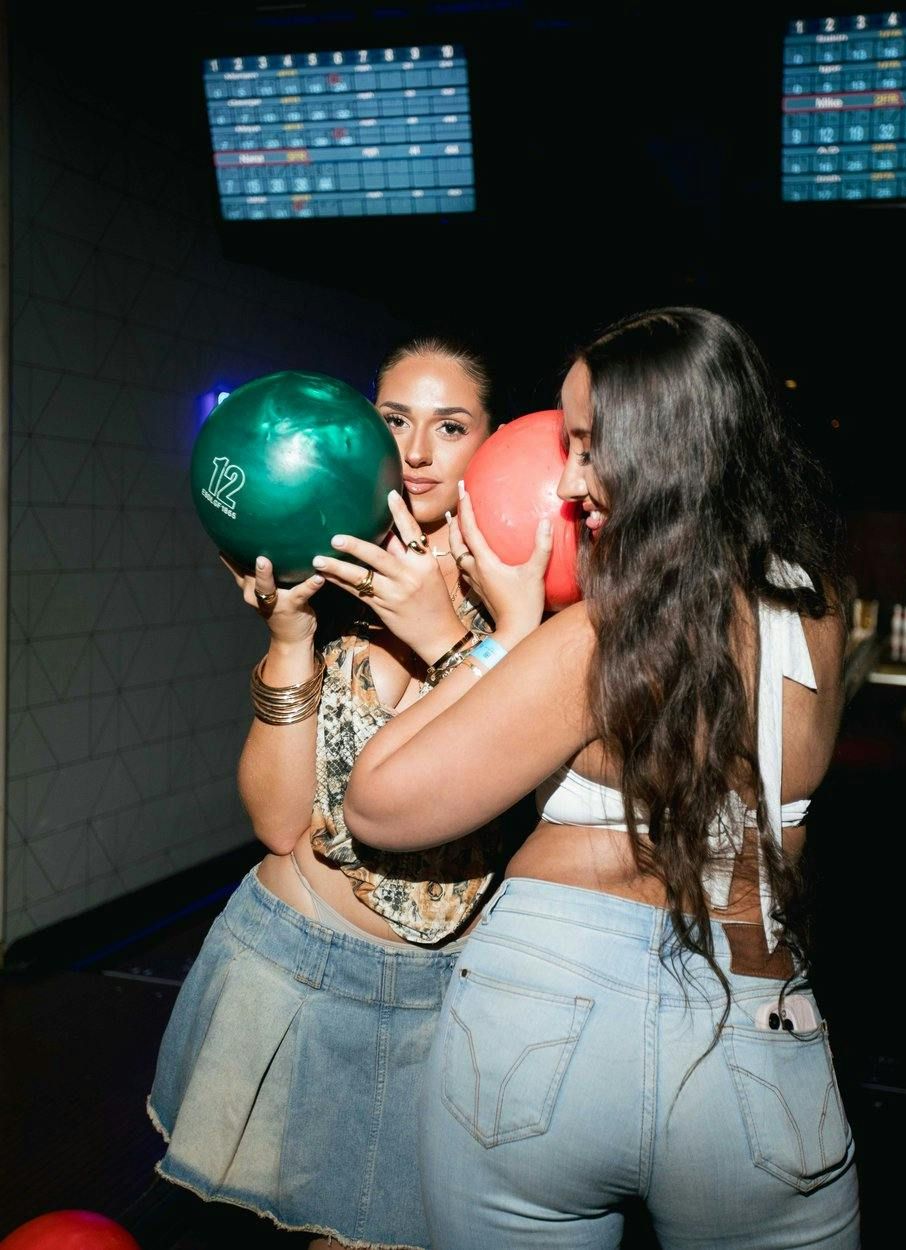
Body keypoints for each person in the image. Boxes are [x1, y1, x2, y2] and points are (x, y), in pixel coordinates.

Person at [343, 308, 861, 1248]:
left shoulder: (600, 640)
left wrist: (486, 639)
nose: (570, 481)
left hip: (542, 1026)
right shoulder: (818, 607)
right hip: (757, 1035)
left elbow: (380, 802)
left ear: (665, 448)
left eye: (588, 445)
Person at [148, 337, 531, 1250]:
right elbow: (278, 823)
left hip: (442, 997)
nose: (417, 451)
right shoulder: (327, 580)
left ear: (494, 443)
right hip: (289, 965)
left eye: (450, 425)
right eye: (394, 420)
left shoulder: (528, 604)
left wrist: (452, 640)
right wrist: (288, 639)